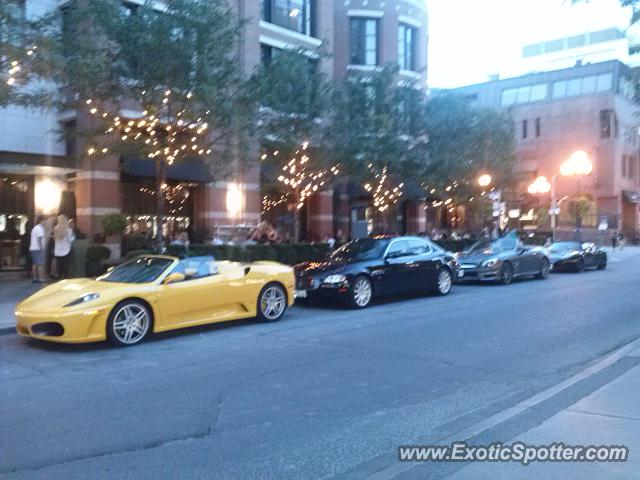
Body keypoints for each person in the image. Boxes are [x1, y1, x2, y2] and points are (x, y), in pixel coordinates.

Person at [53, 215, 76, 280]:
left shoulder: (56, 229)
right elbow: (70, 239)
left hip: (57, 251)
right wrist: (74, 236)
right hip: (66, 250)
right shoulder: (68, 230)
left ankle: (58, 278)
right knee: (66, 267)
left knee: (59, 266)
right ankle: (65, 278)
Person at [29, 215, 47, 283]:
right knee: (40, 264)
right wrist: (41, 248)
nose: (45, 222)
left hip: (32, 248)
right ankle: (40, 278)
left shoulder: (35, 228)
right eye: (44, 220)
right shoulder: (40, 228)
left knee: (34, 264)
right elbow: (39, 239)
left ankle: (35, 278)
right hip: (38, 248)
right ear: (41, 221)